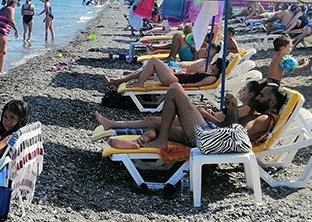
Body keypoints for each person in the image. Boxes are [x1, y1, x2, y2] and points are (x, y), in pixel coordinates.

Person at [108, 81, 285, 151]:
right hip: (209, 134)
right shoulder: (257, 114)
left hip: (208, 138)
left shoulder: (264, 119)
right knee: (157, 124)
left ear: (271, 103)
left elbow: (236, 136)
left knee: (175, 89)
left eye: (262, 96)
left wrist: (232, 109)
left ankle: (160, 141)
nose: (257, 97)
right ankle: (138, 144)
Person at [94, 79, 267, 134]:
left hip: (206, 129)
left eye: (244, 90)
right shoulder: (244, 107)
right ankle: (113, 125)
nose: (242, 91)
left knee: (173, 94)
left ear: (251, 95)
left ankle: (115, 126)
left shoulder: (244, 109)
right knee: (154, 119)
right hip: (204, 124)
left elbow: (228, 129)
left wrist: (207, 115)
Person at [105, 55, 225, 88]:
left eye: (214, 64)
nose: (211, 64)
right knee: (147, 68)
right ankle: (121, 79)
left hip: (175, 81)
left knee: (153, 60)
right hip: (177, 77)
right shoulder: (210, 74)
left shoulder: (212, 78)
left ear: (218, 69)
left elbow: (196, 85)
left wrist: (182, 86)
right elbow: (193, 77)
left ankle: (139, 83)